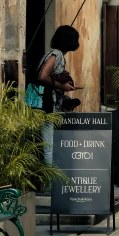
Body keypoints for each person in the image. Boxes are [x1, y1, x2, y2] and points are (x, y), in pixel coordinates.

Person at [36, 26, 83, 165]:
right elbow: (43, 76)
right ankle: (48, 185)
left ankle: (48, 182)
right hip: (46, 104)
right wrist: (62, 86)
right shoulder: (56, 54)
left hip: (48, 104)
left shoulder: (56, 54)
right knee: (48, 146)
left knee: (49, 144)